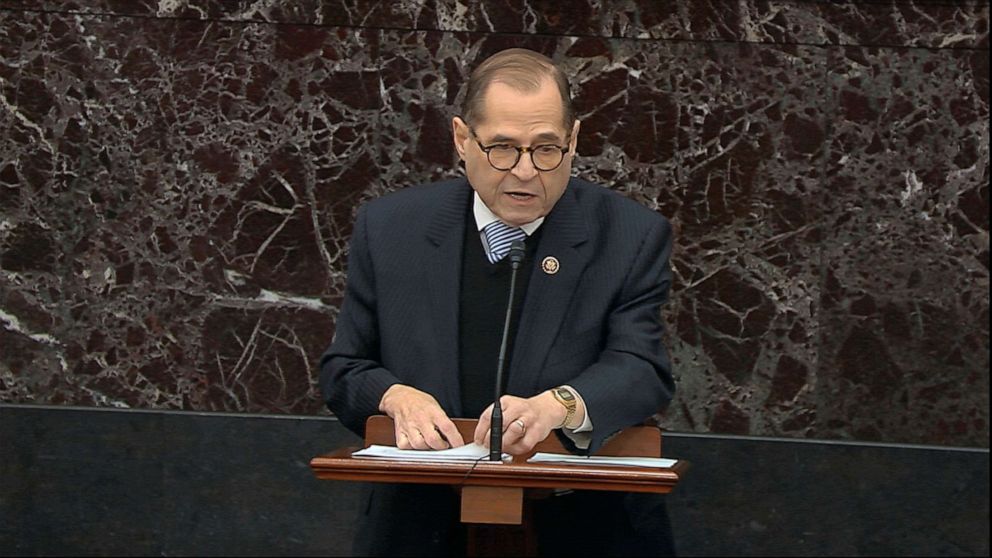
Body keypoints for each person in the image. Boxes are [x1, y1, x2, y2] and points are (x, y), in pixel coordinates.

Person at [320, 48, 676, 556]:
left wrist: (560, 406)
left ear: (574, 141)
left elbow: (641, 368)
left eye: (547, 149)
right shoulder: (392, 229)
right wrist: (395, 395)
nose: (526, 172)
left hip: (583, 525)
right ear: (463, 140)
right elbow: (344, 368)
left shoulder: (629, 236)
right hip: (419, 527)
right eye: (503, 148)